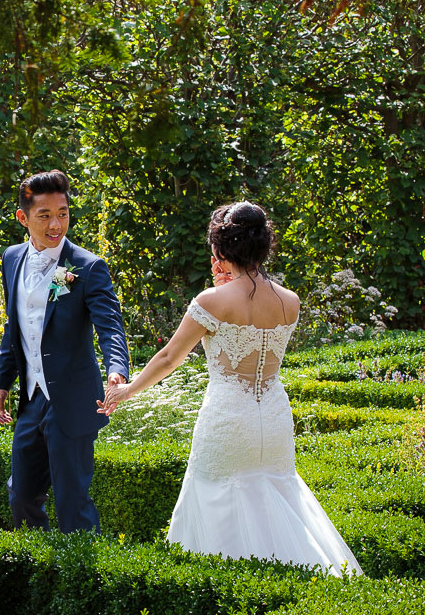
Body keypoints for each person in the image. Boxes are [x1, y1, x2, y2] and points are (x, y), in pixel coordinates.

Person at [98, 201, 362, 576]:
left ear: (222, 250)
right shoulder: (290, 301)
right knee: (278, 497)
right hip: (273, 417)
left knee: (216, 498)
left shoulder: (211, 301)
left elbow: (169, 357)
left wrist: (128, 390)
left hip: (227, 420)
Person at [0, 170, 130, 533]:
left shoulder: (87, 266)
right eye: (45, 215)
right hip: (32, 399)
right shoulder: (11, 258)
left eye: (63, 213)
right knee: (21, 496)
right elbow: (15, 325)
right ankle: (39, 572)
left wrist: (117, 369)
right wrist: (1, 382)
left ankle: (83, 584)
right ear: (23, 218)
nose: (56, 224)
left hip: (71, 399)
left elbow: (110, 325)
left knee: (72, 505)